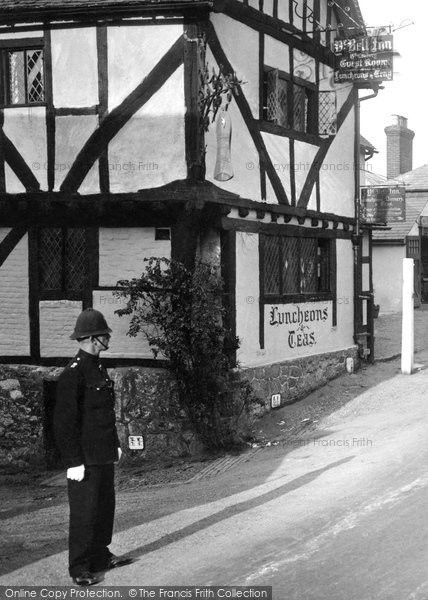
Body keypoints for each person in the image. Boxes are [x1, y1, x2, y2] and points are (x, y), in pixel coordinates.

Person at [54, 308, 133, 586]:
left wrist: (115, 445)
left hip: (103, 454)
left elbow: (103, 414)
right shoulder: (72, 374)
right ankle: (79, 567)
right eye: (104, 333)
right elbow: (64, 424)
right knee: (84, 513)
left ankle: (101, 556)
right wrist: (73, 461)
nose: (108, 336)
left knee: (103, 508)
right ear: (92, 338)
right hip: (84, 458)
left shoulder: (98, 367)